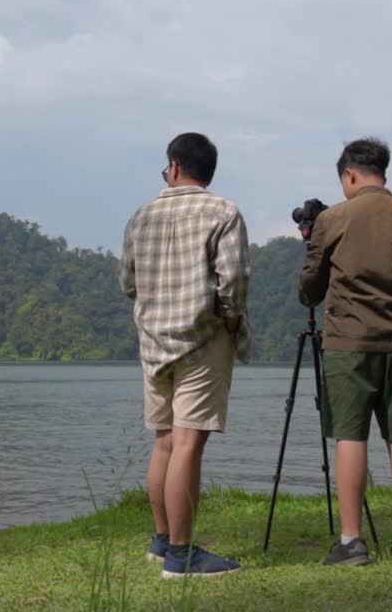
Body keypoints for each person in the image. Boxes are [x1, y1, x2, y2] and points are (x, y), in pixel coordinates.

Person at [119, 132, 251, 579]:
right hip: (201, 341)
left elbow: (128, 283)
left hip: (154, 344)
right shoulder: (223, 213)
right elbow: (232, 282)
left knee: (165, 440)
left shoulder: (142, 217)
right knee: (189, 444)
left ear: (174, 167)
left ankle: (162, 540)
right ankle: (181, 554)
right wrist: (232, 321)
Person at [298, 137, 392, 565]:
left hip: (349, 344)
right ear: (383, 172)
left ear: (349, 174)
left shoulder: (333, 219)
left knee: (350, 436)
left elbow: (310, 291)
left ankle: (351, 540)